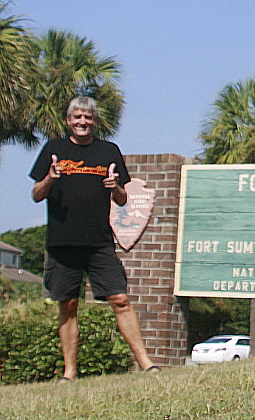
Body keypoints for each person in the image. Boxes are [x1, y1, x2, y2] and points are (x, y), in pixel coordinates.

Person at [30, 96, 159, 381]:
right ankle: (70, 373)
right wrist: (50, 177)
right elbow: (37, 194)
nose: (82, 122)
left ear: (95, 121)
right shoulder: (54, 149)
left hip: (99, 242)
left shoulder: (108, 151)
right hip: (62, 242)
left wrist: (116, 187)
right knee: (68, 304)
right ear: (68, 121)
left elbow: (123, 199)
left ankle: (146, 364)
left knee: (121, 299)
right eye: (77, 117)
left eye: (87, 117)